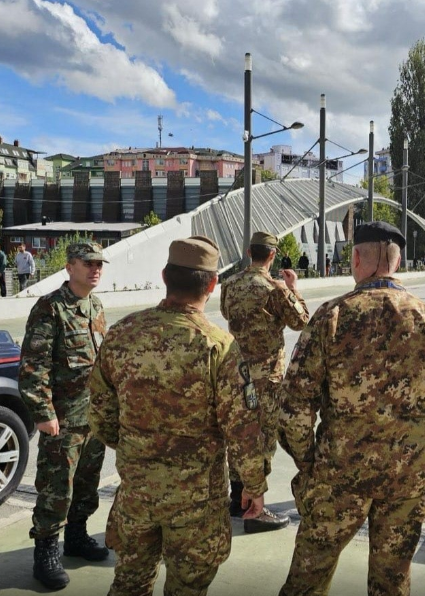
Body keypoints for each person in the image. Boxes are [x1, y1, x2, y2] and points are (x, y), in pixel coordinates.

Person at [278, 221, 425, 596]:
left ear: (355, 258)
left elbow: (293, 409)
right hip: (408, 480)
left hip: (338, 476)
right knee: (391, 582)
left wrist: (310, 463)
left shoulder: (331, 317)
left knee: (308, 577)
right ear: (397, 263)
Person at [89, 237, 267, 596]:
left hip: (137, 493)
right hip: (197, 504)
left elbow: (101, 415)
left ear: (165, 277)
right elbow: (242, 431)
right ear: (212, 284)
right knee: (188, 587)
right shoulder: (219, 346)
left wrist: (137, 449)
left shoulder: (122, 334)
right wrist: (254, 486)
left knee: (129, 584)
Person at [19, 242, 110, 590]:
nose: (95, 269)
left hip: (94, 417)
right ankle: (45, 553)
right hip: (63, 419)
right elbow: (33, 365)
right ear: (70, 267)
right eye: (88, 263)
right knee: (56, 489)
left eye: (99, 263)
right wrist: (42, 412)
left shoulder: (96, 304)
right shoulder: (49, 308)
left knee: (87, 485)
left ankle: (77, 536)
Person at [220, 231, 309, 533]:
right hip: (266, 376)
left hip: (235, 371)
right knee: (262, 439)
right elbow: (301, 321)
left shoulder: (230, 284)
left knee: (239, 434)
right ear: (272, 255)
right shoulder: (274, 288)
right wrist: (293, 288)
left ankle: (237, 497)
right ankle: (255, 509)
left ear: (249, 252)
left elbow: (226, 313)